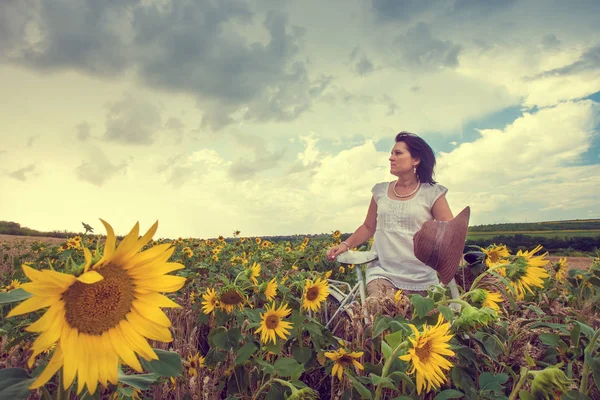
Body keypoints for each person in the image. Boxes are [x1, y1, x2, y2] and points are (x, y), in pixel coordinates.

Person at [326, 132, 454, 302]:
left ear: (416, 160)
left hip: (420, 277)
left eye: (398, 153)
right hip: (383, 272)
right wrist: (345, 244)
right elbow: (368, 227)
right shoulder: (380, 191)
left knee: (421, 326)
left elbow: (450, 233)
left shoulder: (432, 193)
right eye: (391, 153)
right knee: (378, 314)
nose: (391, 158)